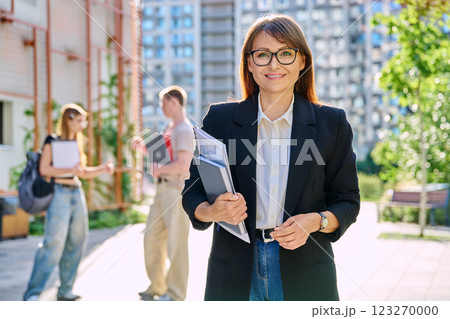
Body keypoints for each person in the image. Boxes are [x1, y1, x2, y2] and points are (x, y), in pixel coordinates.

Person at [182, 14, 360, 301]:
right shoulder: (220, 120)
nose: (274, 64)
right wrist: (211, 211)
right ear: (249, 63)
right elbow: (192, 193)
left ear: (302, 61)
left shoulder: (332, 123)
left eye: (286, 53)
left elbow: (348, 201)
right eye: (263, 55)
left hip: (306, 271)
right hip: (235, 271)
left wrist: (316, 221)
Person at [23, 103, 114, 301]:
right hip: (59, 193)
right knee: (54, 242)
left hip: (76, 192)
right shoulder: (52, 141)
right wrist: (69, 170)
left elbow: (81, 172)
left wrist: (103, 169)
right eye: (80, 120)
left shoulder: (76, 142)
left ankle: (65, 290)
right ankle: (33, 293)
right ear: (69, 119)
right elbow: (44, 170)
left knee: (77, 241)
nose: (84, 124)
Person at [139, 85, 195, 301]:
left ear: (174, 102)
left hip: (175, 192)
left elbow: (183, 165)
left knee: (176, 244)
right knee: (152, 239)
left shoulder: (183, 129)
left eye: (163, 102)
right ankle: (157, 287)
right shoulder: (170, 128)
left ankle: (175, 293)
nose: (161, 107)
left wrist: (159, 169)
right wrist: (145, 149)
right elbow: (165, 158)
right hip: (161, 191)